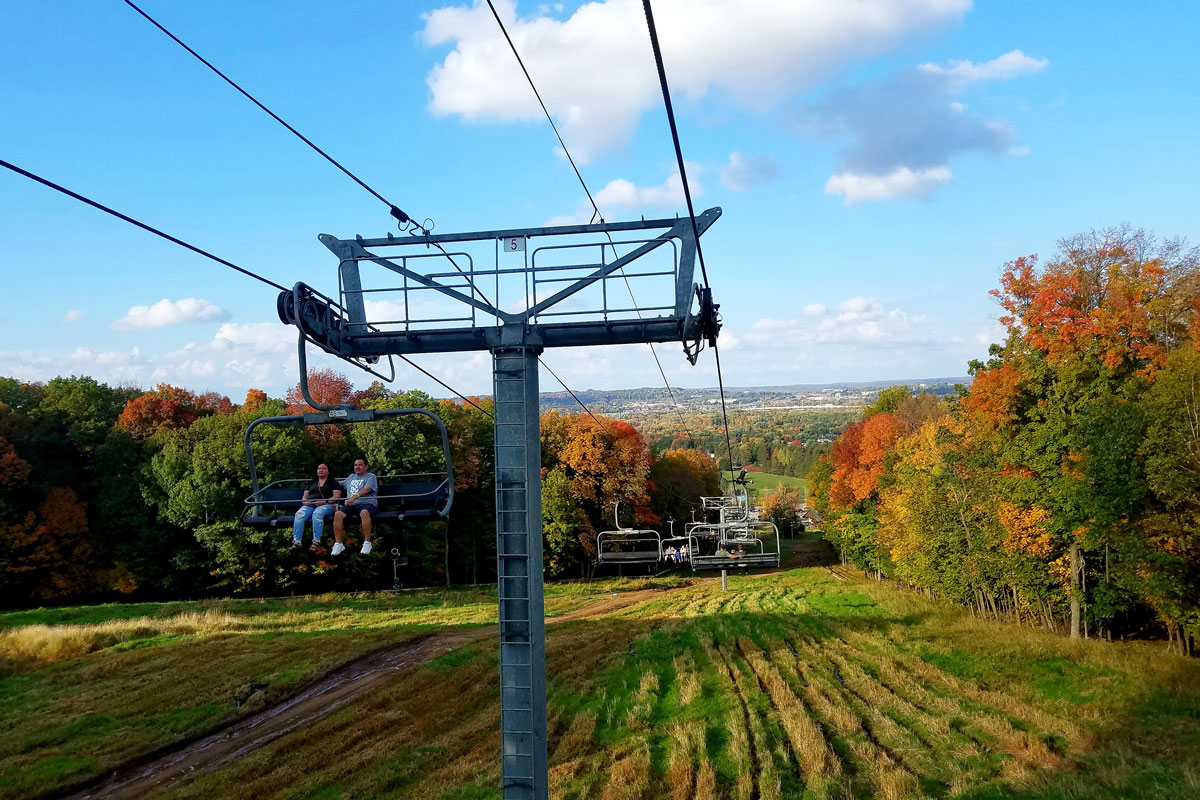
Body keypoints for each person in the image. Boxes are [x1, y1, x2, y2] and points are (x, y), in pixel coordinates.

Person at [332, 457, 379, 555]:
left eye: (360, 465)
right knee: (338, 514)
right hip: (351, 505)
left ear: (365, 466)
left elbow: (367, 489)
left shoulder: (370, 476)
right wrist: (327, 481)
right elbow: (341, 484)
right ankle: (338, 543)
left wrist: (355, 496)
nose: (357, 467)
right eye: (355, 465)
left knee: (364, 513)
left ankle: (367, 542)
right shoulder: (351, 477)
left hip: (367, 503)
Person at [291, 464, 342, 552]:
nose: (321, 470)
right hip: (310, 505)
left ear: (328, 471)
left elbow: (336, 497)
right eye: (319, 468)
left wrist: (324, 502)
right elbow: (304, 497)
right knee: (299, 514)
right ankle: (297, 541)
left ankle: (316, 540)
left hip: (326, 505)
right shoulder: (312, 482)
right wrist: (306, 502)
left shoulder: (333, 483)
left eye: (323, 468)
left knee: (317, 513)